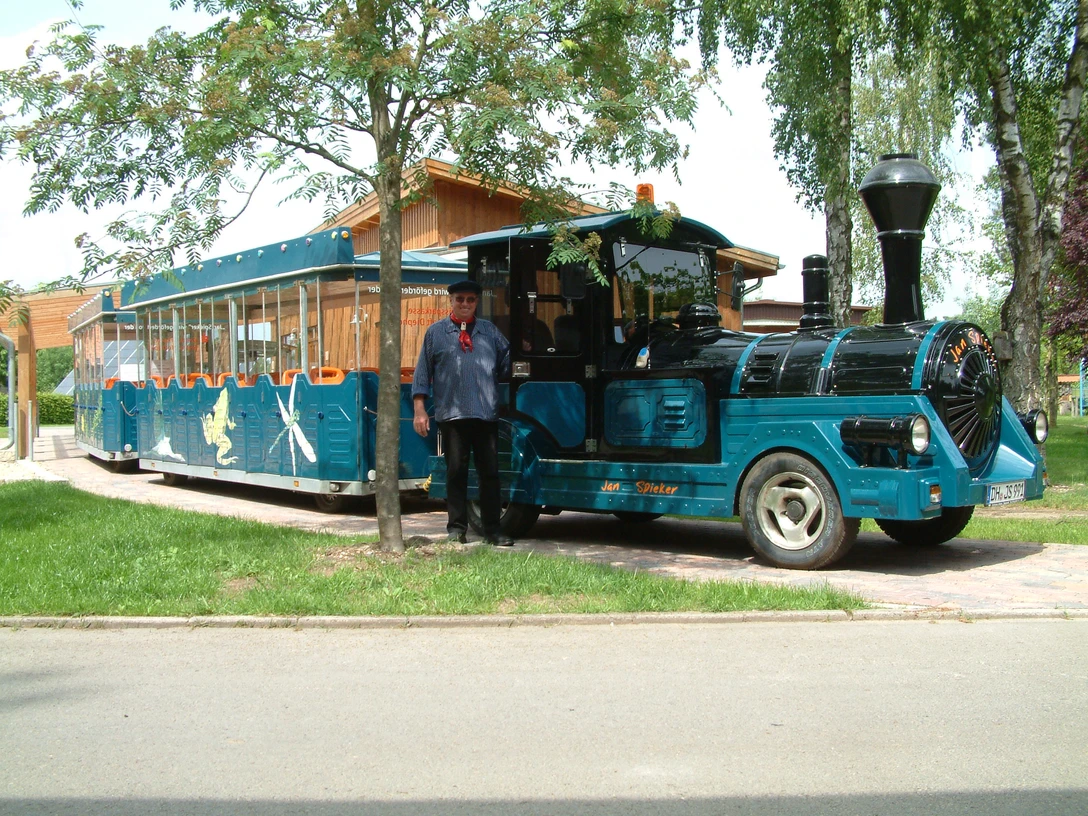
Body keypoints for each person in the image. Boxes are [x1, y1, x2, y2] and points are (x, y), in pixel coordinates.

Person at [412, 279, 513, 546]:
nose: (465, 304)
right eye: (460, 300)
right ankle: (456, 530)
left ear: (477, 302)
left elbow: (509, 362)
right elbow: (422, 373)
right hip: (452, 415)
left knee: (490, 473)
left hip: (485, 415)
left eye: (470, 300)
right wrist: (419, 410)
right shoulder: (435, 333)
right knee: (456, 471)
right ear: (451, 301)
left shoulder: (490, 332)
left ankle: (493, 531)